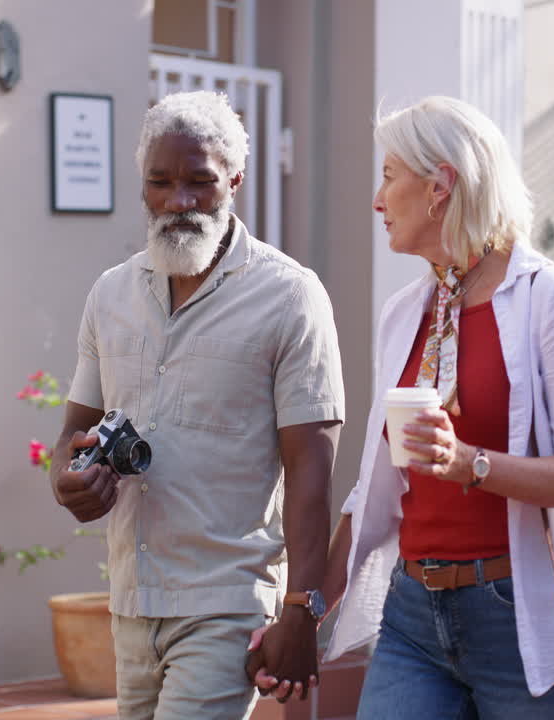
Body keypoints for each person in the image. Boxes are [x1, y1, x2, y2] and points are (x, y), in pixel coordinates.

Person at [309, 96, 554, 718]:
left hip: (521, 614)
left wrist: (469, 463)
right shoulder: (405, 312)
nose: (377, 200)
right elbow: (376, 489)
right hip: (411, 614)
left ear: (439, 186)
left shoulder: (551, 299)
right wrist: (309, 607)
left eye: (389, 176)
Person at [49, 90, 345, 720]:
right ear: (143, 186)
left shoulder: (290, 297)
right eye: (161, 182)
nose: (178, 201)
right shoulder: (110, 294)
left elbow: (312, 476)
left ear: (234, 180)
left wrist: (302, 609)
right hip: (131, 598)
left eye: (199, 182)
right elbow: (72, 433)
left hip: (225, 601)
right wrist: (69, 480)